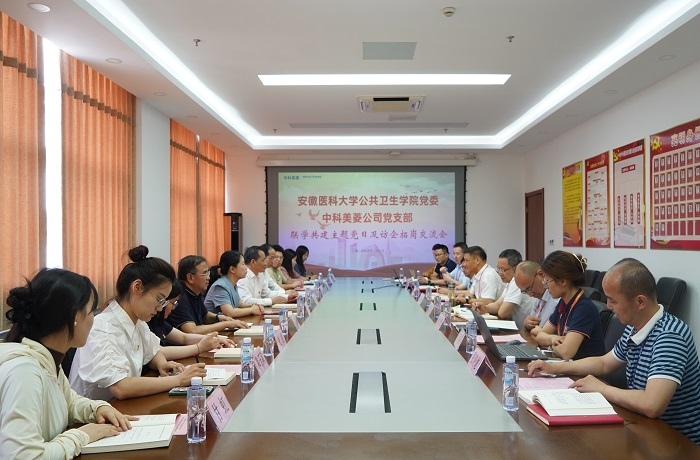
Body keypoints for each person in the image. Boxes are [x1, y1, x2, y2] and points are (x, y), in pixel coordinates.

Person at [528, 259, 700, 444]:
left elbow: (652, 404)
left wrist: (601, 388)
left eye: (613, 300)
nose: (608, 306)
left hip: (677, 441)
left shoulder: (670, 336)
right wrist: (554, 368)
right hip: (646, 429)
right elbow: (604, 363)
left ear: (640, 301)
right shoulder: (635, 326)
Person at [0, 268, 135, 457]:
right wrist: (82, 435)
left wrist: (97, 408)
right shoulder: (24, 371)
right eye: (91, 311)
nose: (94, 319)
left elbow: (67, 402)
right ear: (75, 317)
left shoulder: (47, 359)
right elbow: (24, 456)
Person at [70, 246, 208, 400]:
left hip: (120, 407)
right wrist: (178, 380)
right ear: (137, 287)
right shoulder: (103, 328)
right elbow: (121, 387)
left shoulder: (138, 322)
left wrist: (161, 364)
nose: (160, 308)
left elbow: (152, 352)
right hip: (95, 412)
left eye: (164, 302)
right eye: (159, 299)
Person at [530, 251, 604, 360]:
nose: (546, 286)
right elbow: (540, 336)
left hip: (584, 369)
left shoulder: (584, 308)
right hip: (568, 365)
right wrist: (553, 339)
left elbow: (566, 352)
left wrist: (550, 342)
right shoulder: (563, 302)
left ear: (563, 281)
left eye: (548, 281)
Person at [149, 280, 236, 360]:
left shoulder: (158, 321)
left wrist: (214, 339)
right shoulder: (147, 322)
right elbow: (159, 351)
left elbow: (184, 337)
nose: (174, 308)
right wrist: (199, 348)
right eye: (173, 303)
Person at [166, 255, 249, 334]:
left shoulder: (195, 292)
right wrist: (225, 324)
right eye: (205, 273)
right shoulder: (179, 296)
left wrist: (219, 317)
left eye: (208, 273)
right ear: (190, 277)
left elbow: (205, 316)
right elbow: (192, 330)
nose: (208, 277)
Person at [473, 249, 537, 330]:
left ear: (516, 268)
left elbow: (502, 313)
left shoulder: (516, 282)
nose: (500, 273)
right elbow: (497, 304)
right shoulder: (509, 282)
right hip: (518, 329)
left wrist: (493, 308)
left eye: (503, 270)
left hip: (525, 331)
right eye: (498, 269)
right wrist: (485, 308)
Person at [204, 251, 264, 318]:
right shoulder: (220, 286)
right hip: (214, 324)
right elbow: (229, 313)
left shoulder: (232, 284)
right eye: (243, 264)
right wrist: (252, 310)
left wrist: (254, 305)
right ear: (232, 269)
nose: (246, 268)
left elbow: (239, 304)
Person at [513, 260, 560, 331]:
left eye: (529, 288)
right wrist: (527, 323)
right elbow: (533, 320)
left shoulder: (556, 297)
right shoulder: (539, 297)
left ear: (540, 274)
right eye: (525, 291)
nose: (530, 294)